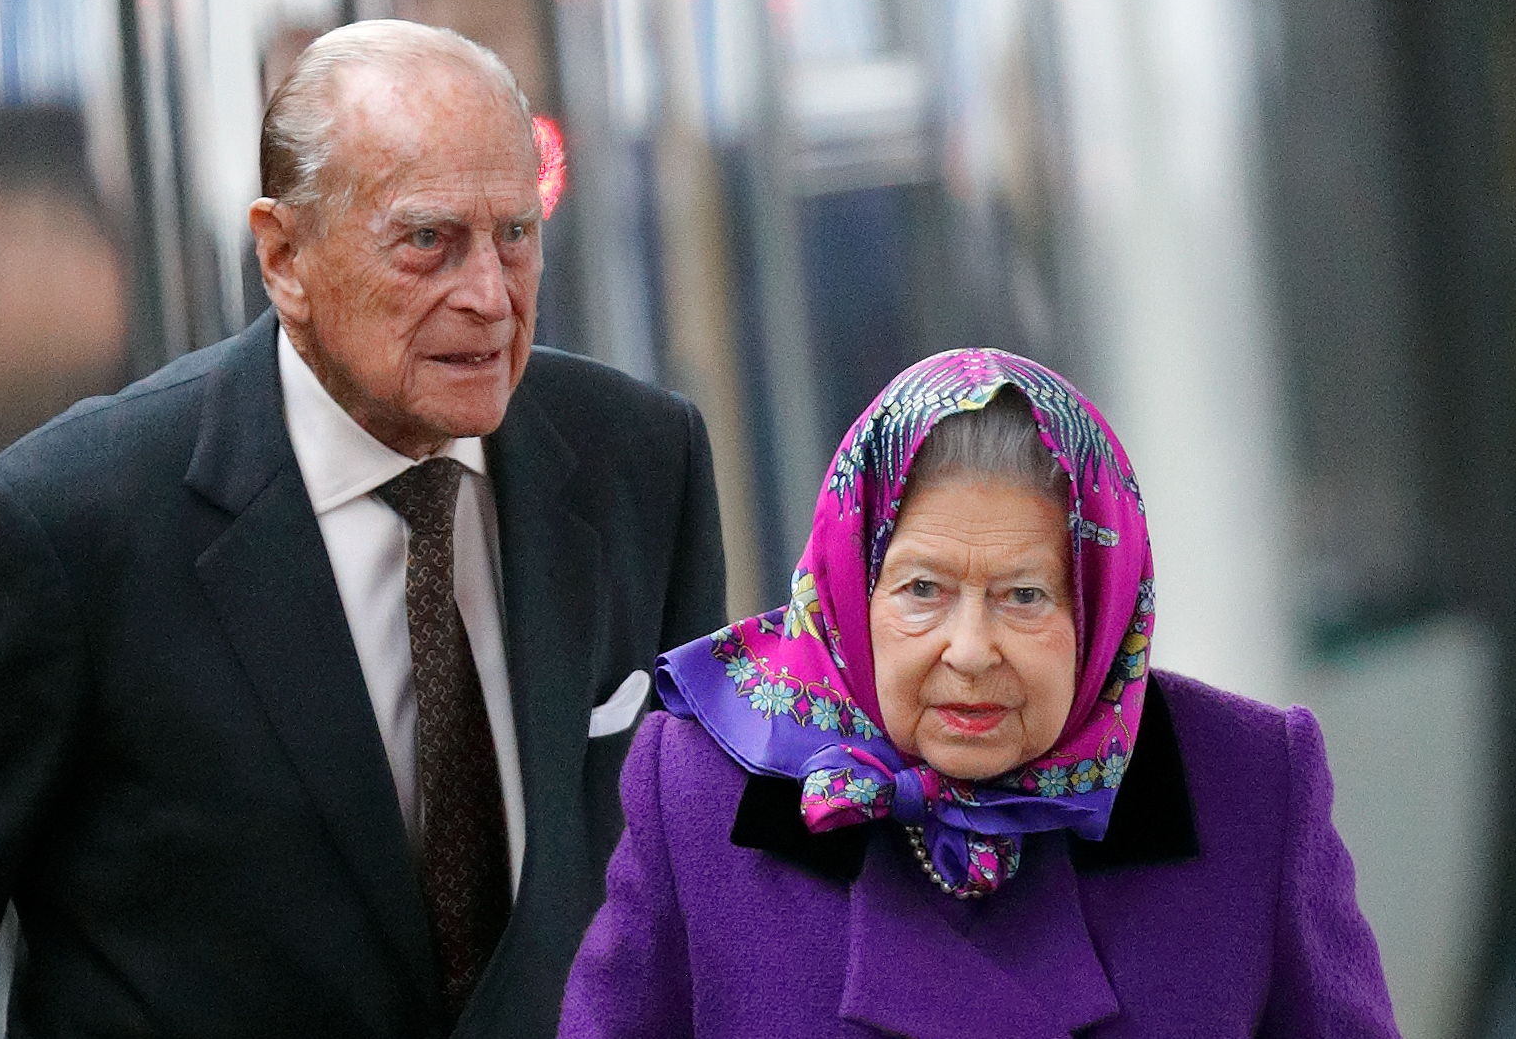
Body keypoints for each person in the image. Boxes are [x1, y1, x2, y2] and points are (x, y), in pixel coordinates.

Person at [0, 20, 726, 1039]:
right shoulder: (71, 528)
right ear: (283, 257)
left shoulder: (641, 461)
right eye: (429, 241)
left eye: (515, 234)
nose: (489, 295)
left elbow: (703, 894)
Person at [559, 349, 1399, 1037]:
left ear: (1101, 607)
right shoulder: (703, 795)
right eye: (921, 589)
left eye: (1023, 596)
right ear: (850, 594)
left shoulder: (1245, 783)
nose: (968, 650)